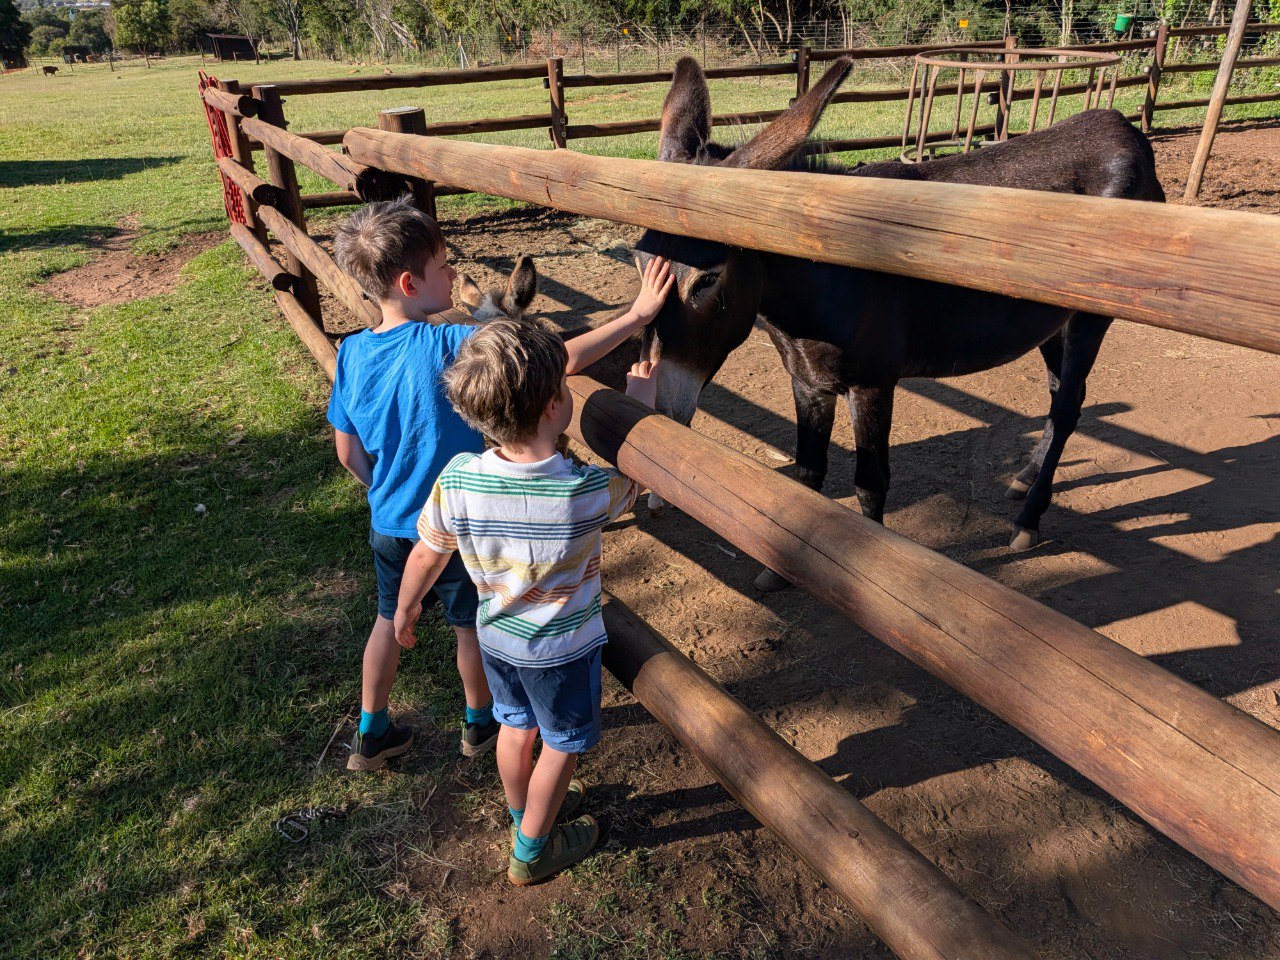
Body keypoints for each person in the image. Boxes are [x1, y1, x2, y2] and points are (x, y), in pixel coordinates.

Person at [328, 194, 670, 771]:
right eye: (444, 267)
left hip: (390, 524)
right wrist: (636, 316)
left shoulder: (353, 351)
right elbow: (551, 357)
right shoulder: (448, 344)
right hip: (462, 522)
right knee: (469, 627)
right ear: (410, 283)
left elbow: (347, 452)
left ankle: (371, 730)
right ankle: (480, 724)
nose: (454, 275)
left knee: (389, 618)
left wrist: (382, 488)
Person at [394, 314, 663, 885]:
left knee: (515, 729)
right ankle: (534, 847)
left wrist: (406, 604)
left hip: (497, 641)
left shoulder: (459, 476)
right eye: (565, 388)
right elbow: (633, 483)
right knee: (561, 748)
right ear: (552, 408)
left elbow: (426, 552)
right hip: (561, 653)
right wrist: (639, 405)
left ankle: (523, 813)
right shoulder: (583, 491)